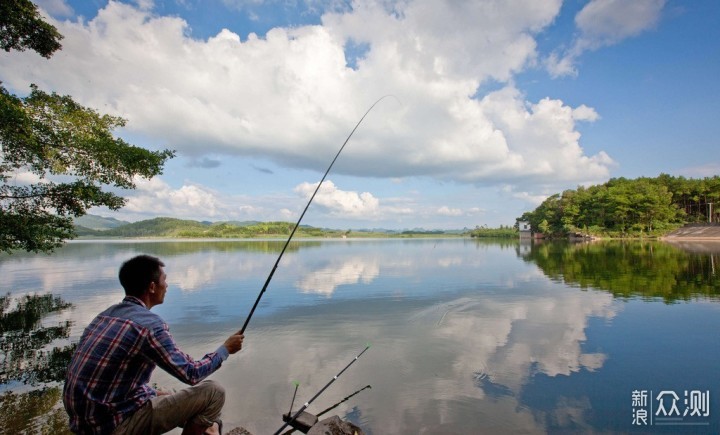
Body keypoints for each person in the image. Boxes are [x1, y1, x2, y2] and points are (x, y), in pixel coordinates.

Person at [63, 255, 244, 435]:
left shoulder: (105, 315)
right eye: (164, 280)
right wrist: (225, 349)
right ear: (152, 286)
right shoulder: (149, 326)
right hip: (113, 427)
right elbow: (191, 373)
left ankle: (210, 428)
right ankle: (211, 428)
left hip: (86, 423)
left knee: (165, 392)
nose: (167, 286)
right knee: (214, 393)